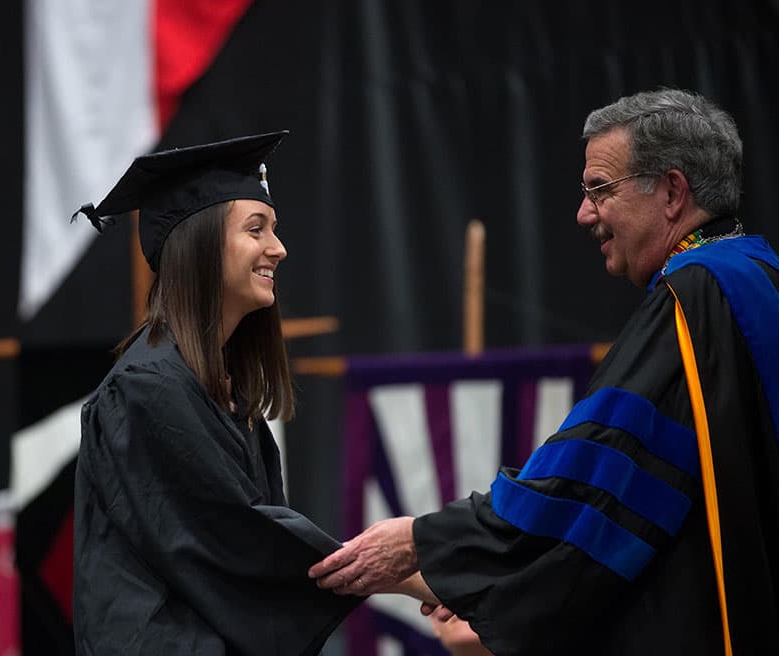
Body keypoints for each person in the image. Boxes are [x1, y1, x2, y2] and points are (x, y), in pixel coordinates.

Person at [309, 89, 779, 654]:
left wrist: (424, 543)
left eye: (600, 190)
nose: (584, 213)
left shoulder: (694, 296)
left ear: (673, 192)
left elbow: (592, 478)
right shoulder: (759, 277)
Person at [71, 131, 435, 655]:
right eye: (256, 229)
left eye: (275, 229)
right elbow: (241, 540)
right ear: (200, 243)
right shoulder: (145, 390)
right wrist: (402, 574)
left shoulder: (218, 390)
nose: (279, 249)